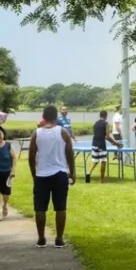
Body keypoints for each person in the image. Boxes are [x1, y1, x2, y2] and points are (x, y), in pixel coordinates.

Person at [28, 105, 76, 248]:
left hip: (41, 175)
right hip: (60, 173)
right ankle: (59, 238)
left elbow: (31, 156)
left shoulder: (36, 134)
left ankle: (41, 238)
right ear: (56, 116)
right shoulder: (63, 132)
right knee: (60, 207)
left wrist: (33, 174)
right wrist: (72, 172)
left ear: (44, 116)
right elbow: (69, 154)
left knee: (40, 208)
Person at [86, 110, 123, 183]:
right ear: (106, 116)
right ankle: (102, 179)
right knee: (103, 161)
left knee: (94, 160)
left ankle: (88, 173)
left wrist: (113, 142)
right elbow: (108, 137)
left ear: (100, 116)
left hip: (94, 144)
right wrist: (116, 143)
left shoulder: (95, 123)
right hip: (101, 145)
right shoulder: (106, 124)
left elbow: (98, 135)